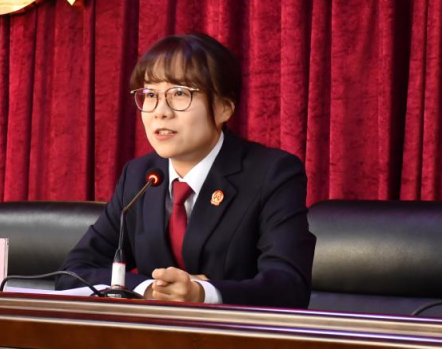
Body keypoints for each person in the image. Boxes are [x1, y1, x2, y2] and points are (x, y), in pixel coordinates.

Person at [57, 33, 315, 308]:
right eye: (150, 95)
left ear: (224, 108)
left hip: (234, 333)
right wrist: (148, 289)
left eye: (179, 93)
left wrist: (204, 294)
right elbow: (74, 272)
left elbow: (289, 287)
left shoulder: (272, 174)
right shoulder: (139, 176)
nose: (160, 111)